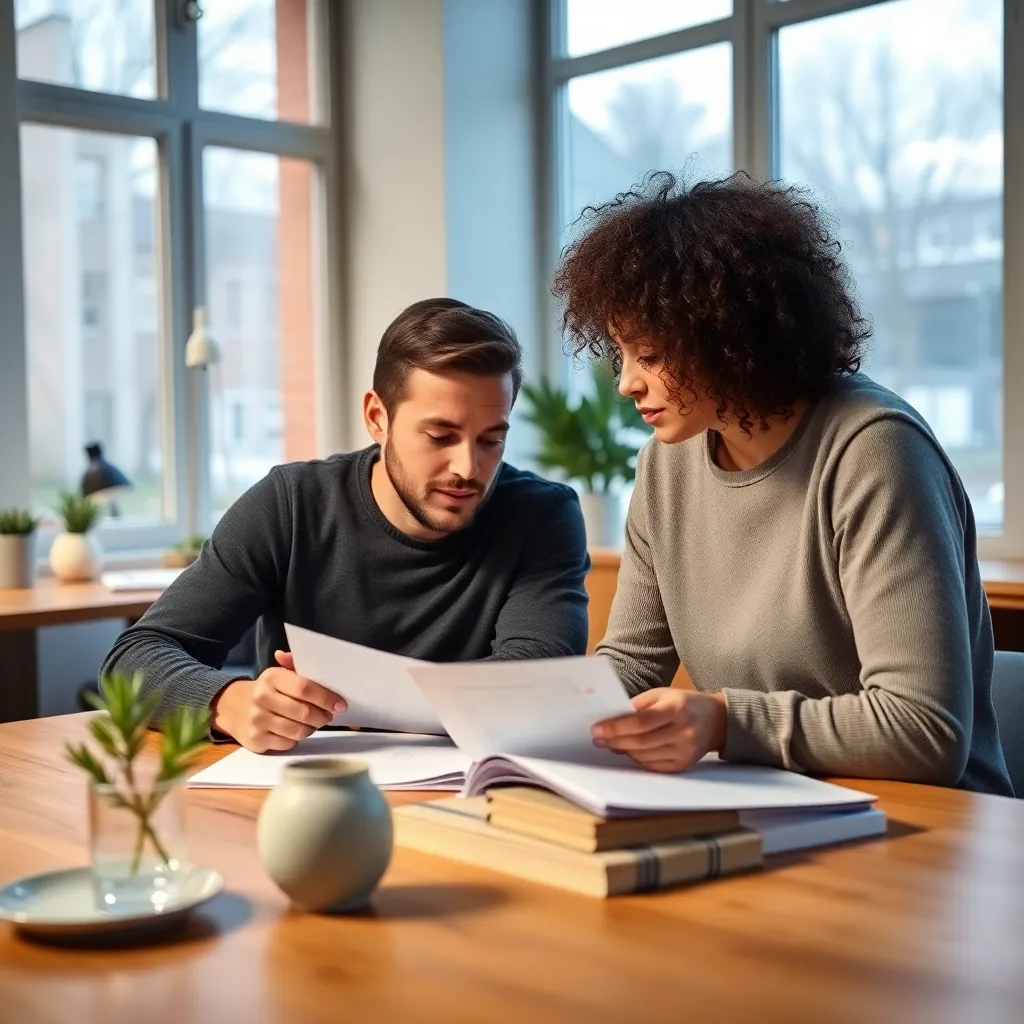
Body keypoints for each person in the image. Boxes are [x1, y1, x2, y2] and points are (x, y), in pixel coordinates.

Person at [553, 171, 1011, 795]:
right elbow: (632, 664)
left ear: (725, 333)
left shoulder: (872, 450)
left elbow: (923, 729)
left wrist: (723, 722)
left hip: (928, 826)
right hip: (779, 804)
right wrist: (532, 722)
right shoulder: (665, 466)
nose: (627, 383)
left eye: (651, 355)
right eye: (621, 355)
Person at [102, 298, 590, 752]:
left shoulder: (542, 516)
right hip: (305, 802)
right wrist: (226, 701)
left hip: (474, 805)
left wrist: (368, 698)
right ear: (378, 418)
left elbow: (537, 682)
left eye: (490, 441)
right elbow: (132, 660)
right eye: (441, 435)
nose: (467, 466)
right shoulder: (290, 505)